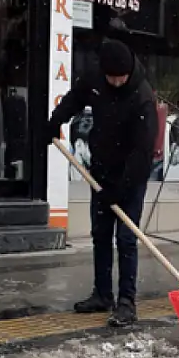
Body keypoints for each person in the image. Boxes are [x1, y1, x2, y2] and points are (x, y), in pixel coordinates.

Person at [47, 38, 158, 327]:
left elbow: (142, 153)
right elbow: (75, 98)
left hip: (130, 178)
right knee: (100, 235)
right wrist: (55, 120)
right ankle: (102, 294)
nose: (116, 82)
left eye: (120, 77)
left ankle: (126, 302)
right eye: (111, 77)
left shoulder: (142, 96)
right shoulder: (98, 78)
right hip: (101, 170)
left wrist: (119, 189)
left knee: (125, 238)